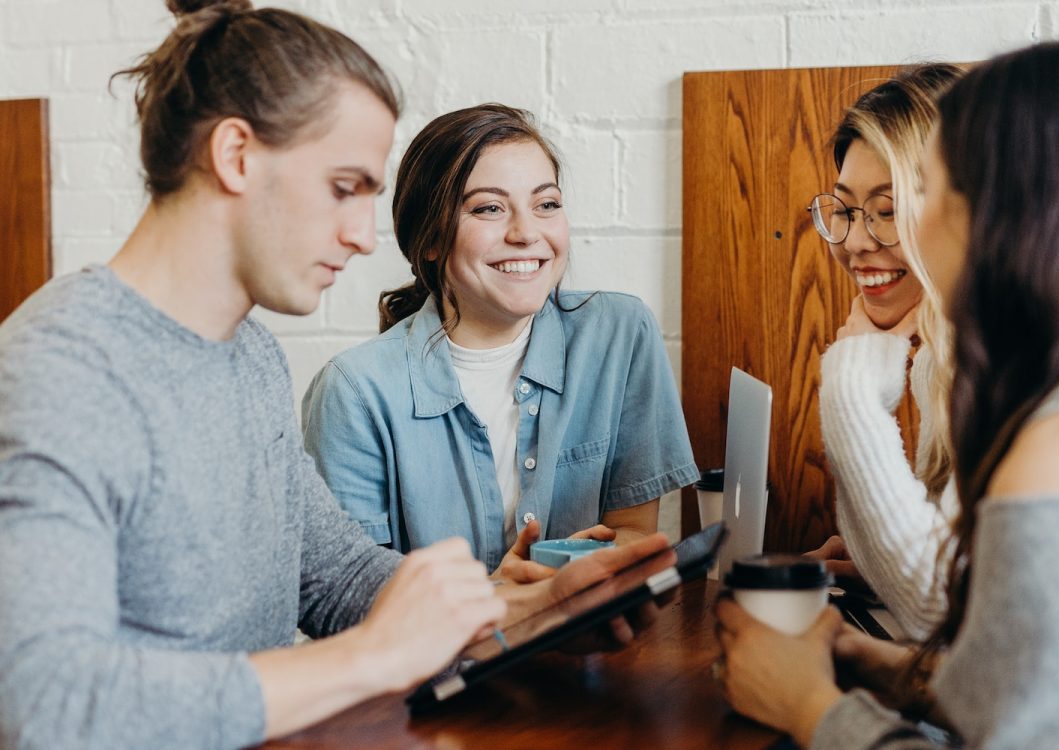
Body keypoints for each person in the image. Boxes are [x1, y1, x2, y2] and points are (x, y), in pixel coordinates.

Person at [0, 3, 669, 747]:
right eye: (344, 187)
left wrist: (523, 614)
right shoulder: (57, 371)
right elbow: (44, 702)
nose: (359, 234)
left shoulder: (247, 355)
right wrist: (372, 656)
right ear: (237, 156)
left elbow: (335, 578)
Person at [716, 39, 1059, 748]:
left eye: (930, 188)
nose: (879, 235)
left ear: (1012, 209)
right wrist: (873, 664)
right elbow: (1038, 689)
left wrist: (810, 708)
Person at [302, 103, 699, 580]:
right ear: (429, 239)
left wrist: (579, 569)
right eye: (489, 208)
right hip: (443, 655)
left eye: (546, 204)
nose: (527, 233)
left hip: (588, 645)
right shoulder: (353, 392)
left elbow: (634, 532)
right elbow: (352, 597)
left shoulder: (619, 334)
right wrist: (500, 600)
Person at [806, 64, 962, 639]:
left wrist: (850, 386)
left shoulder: (1013, 363)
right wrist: (877, 561)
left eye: (888, 210)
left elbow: (938, 609)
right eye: (844, 210)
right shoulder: (941, 356)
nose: (854, 242)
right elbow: (955, 586)